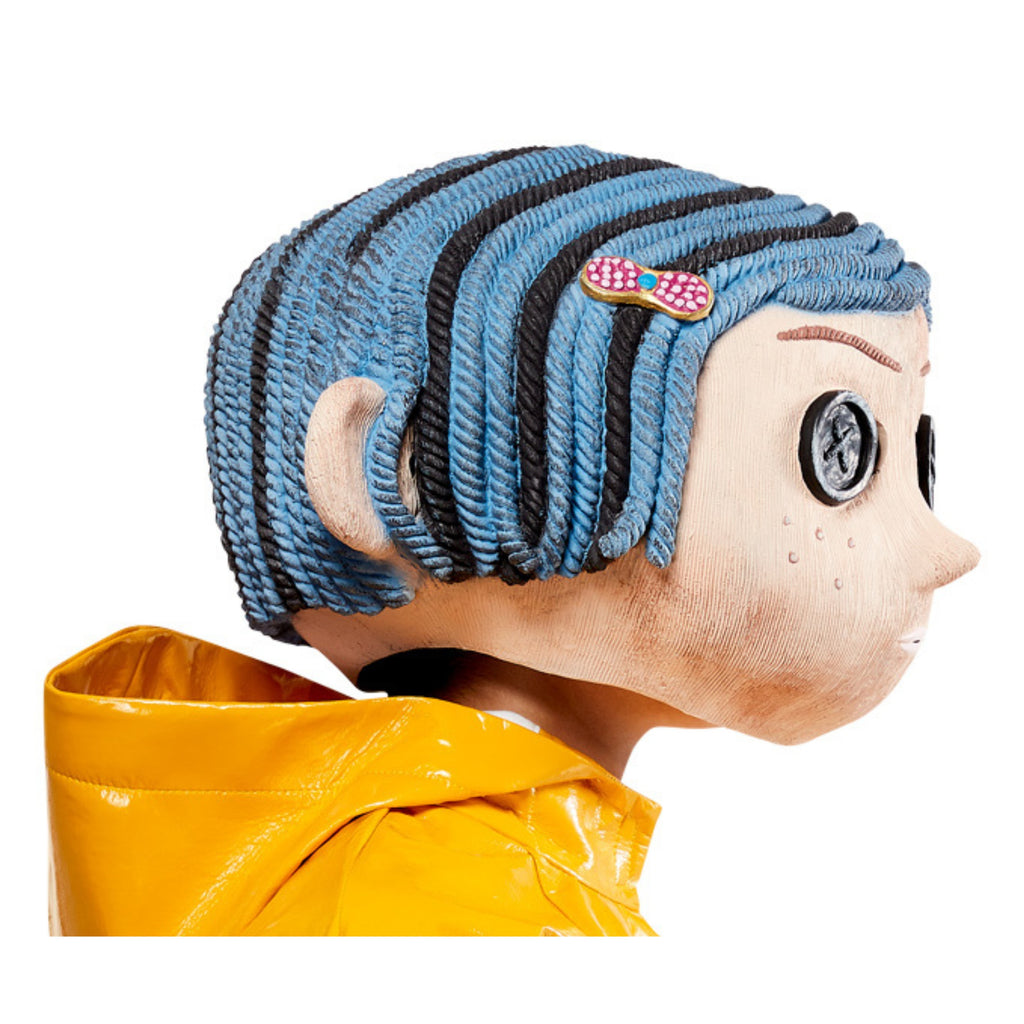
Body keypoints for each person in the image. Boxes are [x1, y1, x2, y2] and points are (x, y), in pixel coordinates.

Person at [44, 145, 978, 936]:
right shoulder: (465, 919)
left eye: (917, 460)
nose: (949, 549)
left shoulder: (383, 865)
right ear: (389, 468)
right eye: (839, 447)